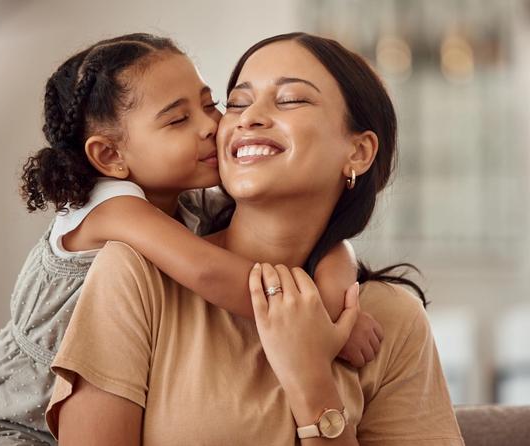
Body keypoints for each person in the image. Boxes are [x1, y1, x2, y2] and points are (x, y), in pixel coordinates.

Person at [0, 33, 378, 445]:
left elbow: (315, 235)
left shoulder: (190, 203)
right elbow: (210, 271)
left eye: (210, 104)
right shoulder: (112, 210)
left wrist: (336, 273)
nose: (211, 126)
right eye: (178, 119)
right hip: (13, 426)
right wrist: (315, 315)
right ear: (110, 156)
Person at [46, 33, 465, 445]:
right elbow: (207, 269)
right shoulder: (134, 273)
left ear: (358, 152)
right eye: (239, 102)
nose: (246, 118)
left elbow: (333, 248)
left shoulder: (391, 320)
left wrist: (311, 383)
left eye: (291, 99)